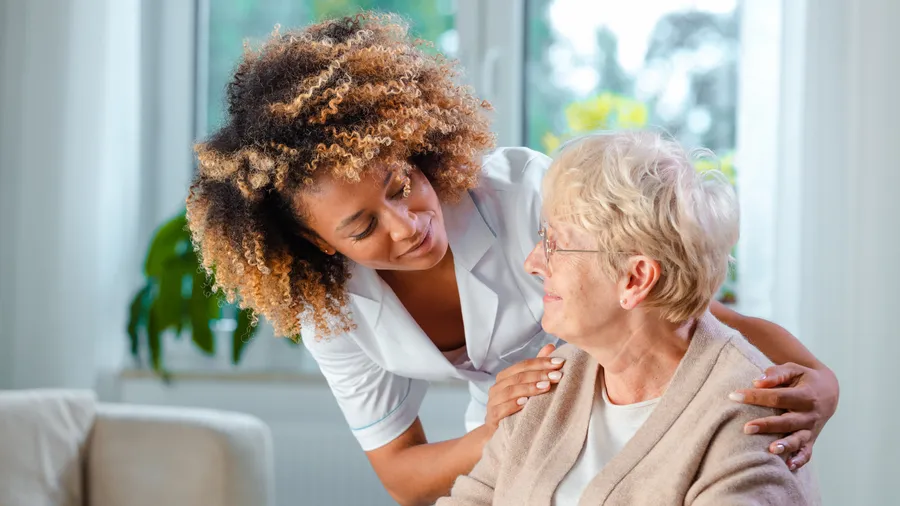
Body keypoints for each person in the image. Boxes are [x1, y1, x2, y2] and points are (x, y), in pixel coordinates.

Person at [185, 13, 837, 506]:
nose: (409, 225)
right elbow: (404, 474)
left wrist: (819, 380)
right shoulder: (332, 306)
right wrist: (499, 427)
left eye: (401, 184)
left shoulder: (526, 196)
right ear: (323, 245)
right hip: (524, 427)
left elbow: (681, 303)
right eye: (363, 227)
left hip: (630, 393)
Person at [438, 131, 821, 506]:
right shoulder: (551, 380)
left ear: (635, 279)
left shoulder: (748, 426)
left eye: (555, 243)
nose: (533, 262)